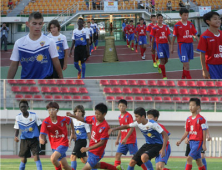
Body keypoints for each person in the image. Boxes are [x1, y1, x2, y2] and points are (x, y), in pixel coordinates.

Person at [66, 103, 123, 170]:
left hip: (97, 152)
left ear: (104, 114)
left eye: (98, 114)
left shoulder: (105, 127)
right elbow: (83, 119)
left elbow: (101, 143)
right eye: (95, 113)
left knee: (85, 168)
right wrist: (73, 116)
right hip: (91, 150)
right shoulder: (93, 118)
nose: (96, 115)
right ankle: (116, 169)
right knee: (95, 165)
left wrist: (87, 148)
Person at [7, 12, 63, 79]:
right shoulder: (19, 43)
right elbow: (14, 65)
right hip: (27, 82)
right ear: (27, 24)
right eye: (34, 24)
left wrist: (61, 79)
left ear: (42, 24)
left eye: (40, 24)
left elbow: (56, 61)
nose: (37, 27)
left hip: (46, 81)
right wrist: (7, 82)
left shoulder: (49, 41)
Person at [39, 102, 76, 170]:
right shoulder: (45, 121)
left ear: (57, 110)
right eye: (49, 110)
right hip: (54, 146)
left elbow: (70, 120)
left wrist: (73, 133)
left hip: (63, 143)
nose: (51, 111)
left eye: (53, 109)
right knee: (65, 166)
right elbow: (42, 134)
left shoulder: (62, 119)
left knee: (53, 158)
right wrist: (41, 139)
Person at [176, 98, 207, 170]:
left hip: (198, 142)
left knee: (189, 159)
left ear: (198, 107)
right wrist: (180, 140)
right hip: (191, 142)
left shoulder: (201, 119)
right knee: (198, 161)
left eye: (193, 105)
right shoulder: (188, 119)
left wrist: (204, 144)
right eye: (189, 105)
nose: (191, 107)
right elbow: (187, 132)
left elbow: (204, 131)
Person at [14, 99, 43, 170]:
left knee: (36, 157)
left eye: (24, 106)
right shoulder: (18, 117)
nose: (23, 108)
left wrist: (41, 136)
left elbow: (40, 126)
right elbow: (17, 129)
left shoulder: (34, 115)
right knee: (23, 159)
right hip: (24, 140)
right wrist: (16, 136)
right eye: (21, 107)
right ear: (19, 108)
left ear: (27, 107)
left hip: (34, 139)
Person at [171, 8, 199, 79]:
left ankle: (183, 77)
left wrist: (199, 41)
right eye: (184, 15)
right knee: (186, 64)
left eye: (187, 15)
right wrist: (172, 47)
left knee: (186, 63)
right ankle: (190, 80)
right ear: (180, 15)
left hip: (190, 45)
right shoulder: (177, 25)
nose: (186, 17)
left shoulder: (191, 24)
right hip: (182, 45)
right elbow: (174, 37)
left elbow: (194, 34)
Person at [114, 100, 141, 168]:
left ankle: (147, 168)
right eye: (120, 106)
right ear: (118, 107)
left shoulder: (128, 116)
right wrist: (117, 139)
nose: (122, 107)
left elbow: (131, 128)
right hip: (123, 141)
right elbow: (121, 128)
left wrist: (125, 138)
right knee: (117, 155)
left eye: (123, 106)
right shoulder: (119, 117)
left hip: (131, 140)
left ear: (126, 107)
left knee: (136, 157)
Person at [197, 11, 222, 79]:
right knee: (216, 87)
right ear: (208, 21)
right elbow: (202, 54)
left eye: (219, 18)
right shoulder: (204, 36)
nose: (218, 20)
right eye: (215, 19)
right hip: (212, 66)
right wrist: (204, 70)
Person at [69, 105, 93, 170]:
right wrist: (70, 140)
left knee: (73, 156)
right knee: (84, 159)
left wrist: (91, 143)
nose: (77, 113)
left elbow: (88, 133)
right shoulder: (73, 121)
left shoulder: (85, 121)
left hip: (82, 141)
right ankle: (93, 167)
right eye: (76, 111)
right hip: (77, 141)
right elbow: (72, 132)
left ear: (82, 112)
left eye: (79, 111)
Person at [151, 14, 171, 79]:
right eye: (159, 18)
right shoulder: (154, 28)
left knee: (166, 60)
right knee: (162, 60)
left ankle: (160, 66)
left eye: (161, 18)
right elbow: (153, 39)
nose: (160, 19)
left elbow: (168, 36)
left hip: (166, 45)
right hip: (159, 45)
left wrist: (171, 44)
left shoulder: (166, 27)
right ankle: (164, 76)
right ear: (157, 19)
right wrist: (152, 47)